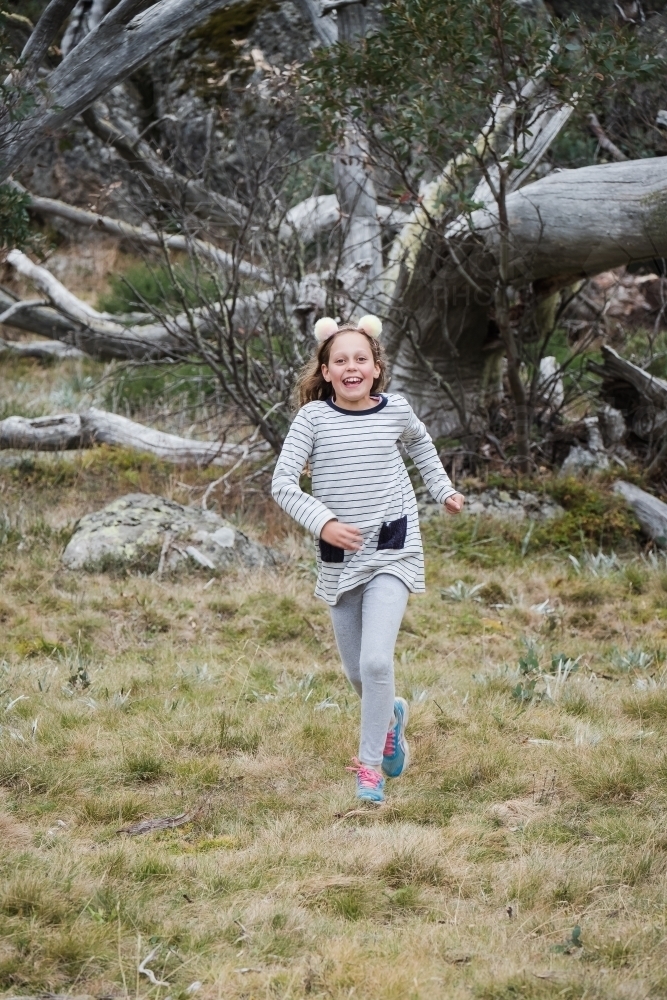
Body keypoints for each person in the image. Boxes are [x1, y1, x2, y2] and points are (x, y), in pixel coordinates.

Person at [271, 315, 465, 803]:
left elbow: (420, 444)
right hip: (339, 559)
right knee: (359, 674)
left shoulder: (395, 410)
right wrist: (324, 522)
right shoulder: (312, 419)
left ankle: (370, 767)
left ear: (376, 368)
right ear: (326, 370)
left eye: (361, 358)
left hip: (394, 549)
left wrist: (442, 489)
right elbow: (282, 484)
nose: (352, 367)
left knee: (377, 661)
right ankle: (391, 719)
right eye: (341, 360)